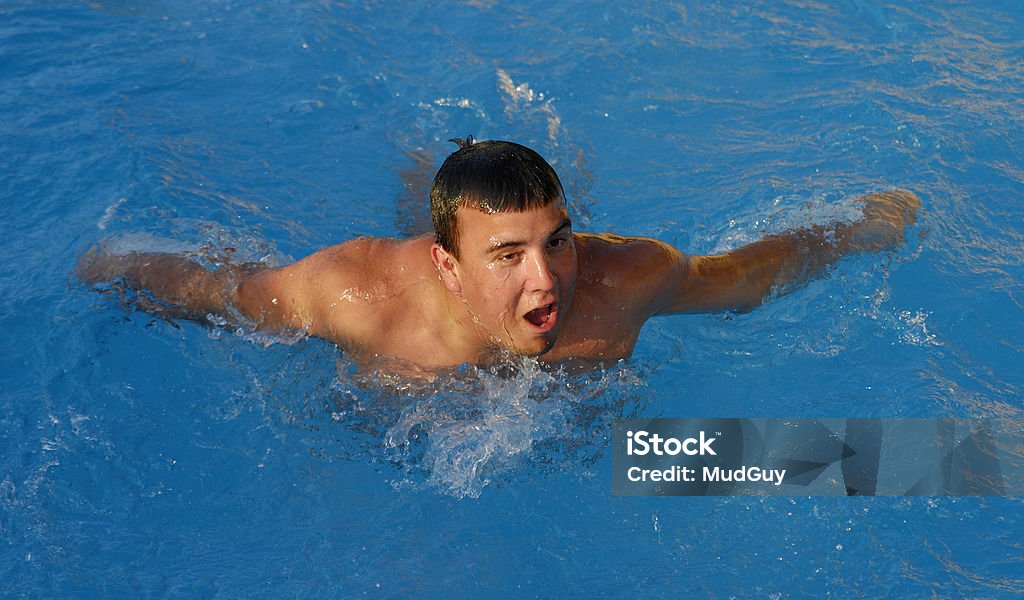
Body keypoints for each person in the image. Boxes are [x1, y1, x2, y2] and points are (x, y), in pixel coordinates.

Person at [77, 137, 920, 374]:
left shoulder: (624, 279)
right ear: (447, 265)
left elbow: (749, 274)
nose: (547, 277)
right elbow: (219, 290)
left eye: (557, 242)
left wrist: (858, 226)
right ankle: (433, 160)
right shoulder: (358, 297)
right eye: (508, 254)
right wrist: (114, 263)